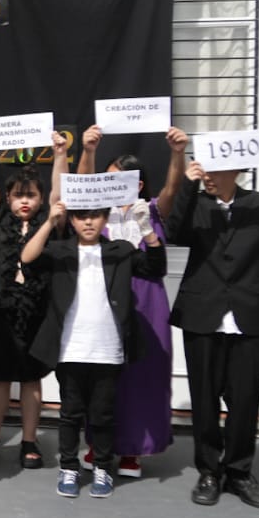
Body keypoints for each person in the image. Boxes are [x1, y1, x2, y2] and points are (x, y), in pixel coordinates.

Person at [167, 132, 259, 509]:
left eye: (217, 168)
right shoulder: (196, 204)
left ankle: (240, 472)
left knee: (245, 398)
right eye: (207, 167)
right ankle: (209, 472)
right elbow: (173, 232)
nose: (211, 175)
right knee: (203, 399)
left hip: (250, 314)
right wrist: (188, 182)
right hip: (203, 314)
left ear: (237, 169)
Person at [20, 199, 166, 499]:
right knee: (70, 413)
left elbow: (155, 267)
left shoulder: (121, 250)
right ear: (72, 221)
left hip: (108, 346)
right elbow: (28, 259)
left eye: (95, 217)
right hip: (70, 347)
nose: (88, 222)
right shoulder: (60, 251)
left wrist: (146, 229)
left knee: (102, 413)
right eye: (82, 217)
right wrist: (49, 221)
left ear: (105, 219)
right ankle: (69, 467)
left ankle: (102, 466)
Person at [71, 124, 188, 477]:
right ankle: (98, 445)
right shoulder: (97, 217)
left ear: (137, 184)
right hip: (104, 302)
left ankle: (133, 452)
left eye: (118, 179)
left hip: (148, 302)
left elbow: (172, 188)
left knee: (143, 376)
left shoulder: (152, 210)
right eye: (105, 179)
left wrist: (178, 153)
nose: (108, 185)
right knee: (103, 376)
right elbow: (80, 190)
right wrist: (88, 150)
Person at [0, 129, 57, 470]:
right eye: (19, 195)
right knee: (0, 376)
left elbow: (61, 191)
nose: (25, 201)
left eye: (31, 195)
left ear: (41, 198)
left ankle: (29, 440)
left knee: (32, 378)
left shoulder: (51, 223)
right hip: (3, 309)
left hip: (37, 309)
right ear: (9, 198)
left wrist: (61, 153)